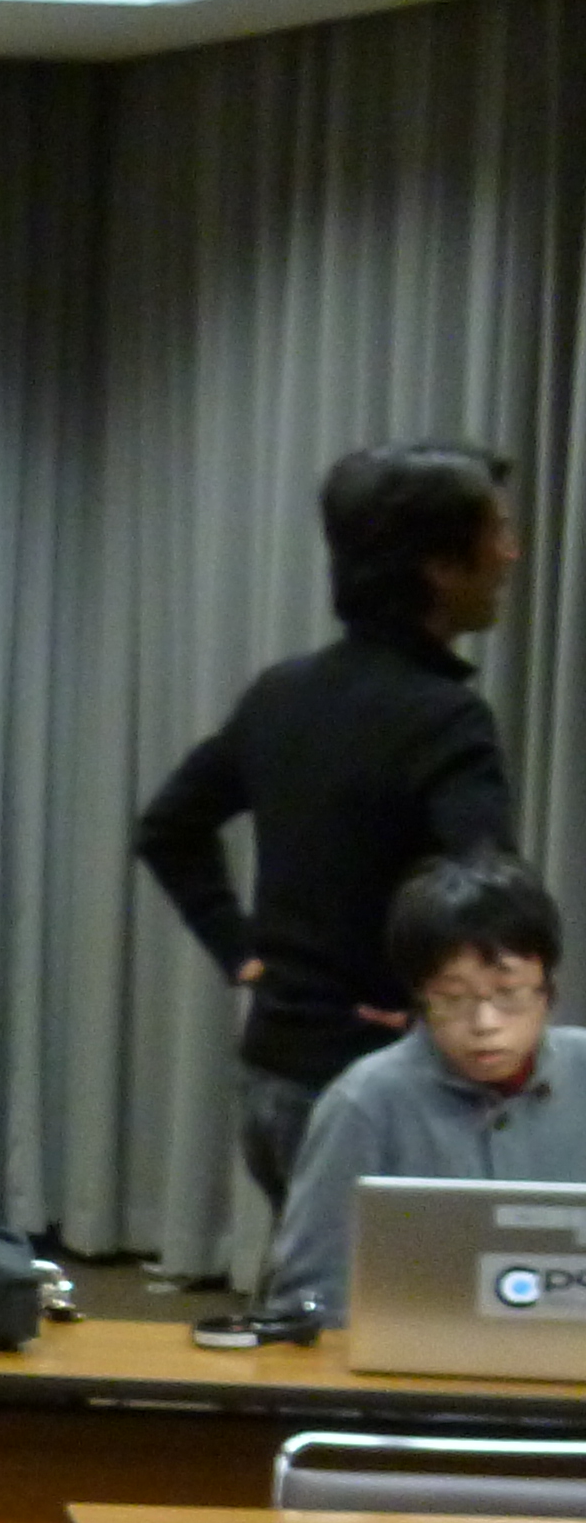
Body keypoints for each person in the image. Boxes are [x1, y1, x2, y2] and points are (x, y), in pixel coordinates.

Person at [136, 442, 521, 1207]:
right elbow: (488, 896)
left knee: (310, 1279)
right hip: (381, 1091)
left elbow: (168, 827)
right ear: (440, 567)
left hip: (274, 1078)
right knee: (395, 1290)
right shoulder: (445, 719)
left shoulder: (282, 694)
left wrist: (243, 955)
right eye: (497, 534)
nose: (511, 555)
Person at [256, 852, 586, 1329]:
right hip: (413, 1370)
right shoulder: (366, 1103)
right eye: (453, 998)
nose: (485, 1023)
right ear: (420, 1001)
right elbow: (309, 1299)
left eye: (508, 994)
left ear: (548, 992)